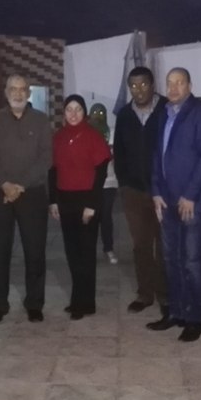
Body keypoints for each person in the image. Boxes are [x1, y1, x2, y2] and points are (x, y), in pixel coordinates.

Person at [149, 67, 201, 342]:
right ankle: (176, 312)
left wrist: (190, 194)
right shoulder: (164, 113)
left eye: (179, 82)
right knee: (171, 259)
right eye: (170, 83)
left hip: (192, 201)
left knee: (192, 261)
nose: (173, 88)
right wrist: (156, 191)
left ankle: (194, 319)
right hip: (166, 200)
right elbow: (158, 155)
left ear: (189, 85)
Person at [0, 75, 52, 323]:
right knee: (0, 250)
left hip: (32, 193)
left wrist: (20, 186)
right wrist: (5, 184)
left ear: (28, 93)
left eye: (22, 89)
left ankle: (34, 303)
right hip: (0, 193)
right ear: (6, 92)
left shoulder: (41, 120)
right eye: (13, 89)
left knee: (35, 251)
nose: (18, 93)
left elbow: (46, 158)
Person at [49, 95, 111, 320]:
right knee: (72, 253)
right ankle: (80, 300)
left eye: (78, 109)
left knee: (86, 254)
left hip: (87, 201)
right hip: (65, 200)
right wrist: (53, 201)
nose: (73, 114)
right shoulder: (59, 137)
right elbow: (52, 171)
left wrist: (92, 205)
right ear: (64, 113)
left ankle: (84, 302)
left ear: (84, 112)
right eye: (69, 109)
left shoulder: (93, 136)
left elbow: (101, 173)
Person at [113, 67, 169, 315]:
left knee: (164, 246)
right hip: (134, 192)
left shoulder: (167, 109)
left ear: (152, 84)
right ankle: (145, 294)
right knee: (141, 245)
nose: (139, 90)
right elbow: (119, 151)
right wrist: (125, 184)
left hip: (163, 192)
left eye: (143, 84)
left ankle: (166, 295)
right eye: (133, 86)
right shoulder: (125, 115)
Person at [88, 102, 119, 264]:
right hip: (90, 183)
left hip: (109, 181)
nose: (98, 116)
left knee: (106, 215)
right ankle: (89, 250)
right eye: (95, 113)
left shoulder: (112, 133)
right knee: (91, 215)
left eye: (101, 113)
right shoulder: (87, 134)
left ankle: (108, 248)